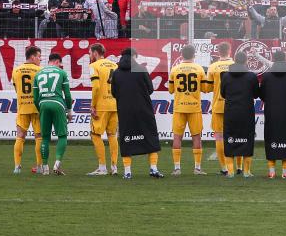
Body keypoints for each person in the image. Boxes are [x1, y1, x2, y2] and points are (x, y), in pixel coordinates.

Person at [111, 47, 163, 179]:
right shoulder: (141, 69)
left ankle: (127, 172)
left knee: (126, 139)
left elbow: (114, 93)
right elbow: (150, 89)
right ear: (134, 56)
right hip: (143, 109)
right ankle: (153, 169)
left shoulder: (116, 73)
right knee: (150, 137)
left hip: (125, 111)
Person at [167, 44, 209, 175]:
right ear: (194, 55)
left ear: (182, 55)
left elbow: (170, 90)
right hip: (194, 107)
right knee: (196, 137)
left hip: (179, 107)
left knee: (177, 137)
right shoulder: (199, 69)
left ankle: (177, 168)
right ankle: (197, 168)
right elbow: (205, 89)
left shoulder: (175, 69)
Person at [257, 50, 286, 178]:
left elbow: (261, 95)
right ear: (285, 60)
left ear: (274, 59)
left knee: (271, 137)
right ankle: (285, 172)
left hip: (271, 111)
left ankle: (271, 171)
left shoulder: (267, 76)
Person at [33, 53, 73, 176]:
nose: (61, 66)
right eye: (60, 63)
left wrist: (41, 109)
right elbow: (67, 95)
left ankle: (45, 167)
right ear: (57, 61)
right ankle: (57, 164)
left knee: (44, 137)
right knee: (62, 135)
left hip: (43, 104)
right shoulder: (61, 73)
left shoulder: (38, 74)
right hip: (58, 103)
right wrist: (69, 110)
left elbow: (35, 98)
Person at [221, 51, 260, 177]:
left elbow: (223, 94)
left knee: (229, 139)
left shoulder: (226, 76)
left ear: (235, 60)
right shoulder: (251, 76)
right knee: (247, 139)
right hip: (247, 112)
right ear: (245, 61)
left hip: (230, 112)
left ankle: (231, 171)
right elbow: (256, 94)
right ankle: (247, 172)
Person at [87, 43, 119, 176]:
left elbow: (96, 88)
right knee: (112, 135)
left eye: (89, 53)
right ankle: (115, 167)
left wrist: (93, 105)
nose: (89, 55)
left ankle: (102, 167)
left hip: (101, 105)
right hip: (115, 104)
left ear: (95, 53)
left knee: (95, 135)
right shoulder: (115, 65)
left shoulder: (93, 66)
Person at [11, 46, 44, 175]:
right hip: (37, 107)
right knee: (39, 137)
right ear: (32, 57)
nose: (40, 59)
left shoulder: (16, 70)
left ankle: (17, 167)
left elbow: (16, 89)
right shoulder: (40, 70)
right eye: (39, 56)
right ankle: (40, 166)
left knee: (20, 137)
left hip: (23, 107)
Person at [205, 43, 235, 175]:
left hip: (218, 105)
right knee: (236, 136)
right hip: (234, 105)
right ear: (229, 50)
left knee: (219, 137)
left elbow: (208, 88)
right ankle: (237, 167)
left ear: (218, 51)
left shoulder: (212, 66)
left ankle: (224, 168)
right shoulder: (236, 65)